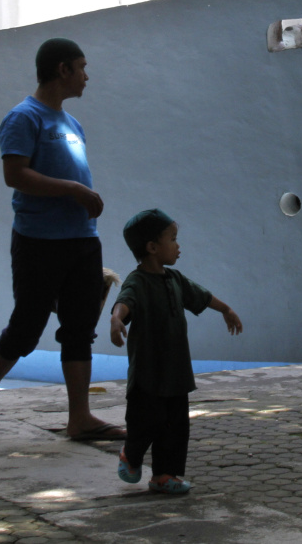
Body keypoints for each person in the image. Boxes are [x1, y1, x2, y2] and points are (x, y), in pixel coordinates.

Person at [0, 38, 123, 442]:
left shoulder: (72, 123)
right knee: (26, 326)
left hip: (82, 241)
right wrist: (73, 189)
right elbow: (15, 175)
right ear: (62, 69)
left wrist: (80, 197)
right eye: (82, 67)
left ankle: (80, 418)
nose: (87, 76)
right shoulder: (23, 118)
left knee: (80, 328)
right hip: (38, 241)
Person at [110, 209, 242, 495]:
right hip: (148, 375)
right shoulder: (138, 281)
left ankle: (164, 475)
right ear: (152, 247)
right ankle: (130, 455)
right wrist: (116, 318)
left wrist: (226, 309)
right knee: (144, 423)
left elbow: (202, 296)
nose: (178, 245)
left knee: (175, 427)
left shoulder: (175, 279)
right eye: (173, 239)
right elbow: (124, 301)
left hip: (176, 373)